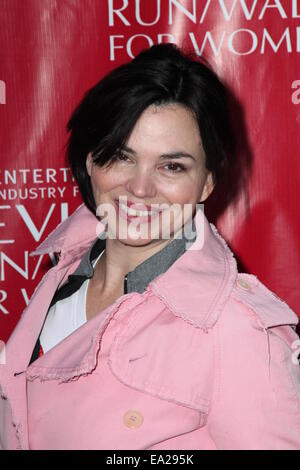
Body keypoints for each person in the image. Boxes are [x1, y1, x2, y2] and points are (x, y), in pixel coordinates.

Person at [0, 43, 300, 451]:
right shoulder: (63, 274)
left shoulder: (235, 326)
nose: (140, 188)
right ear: (90, 161)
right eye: (122, 157)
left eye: (171, 166)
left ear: (207, 182)